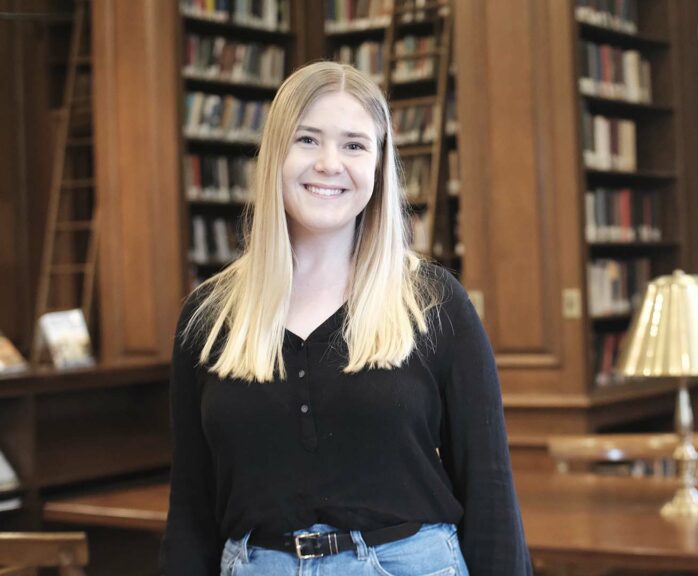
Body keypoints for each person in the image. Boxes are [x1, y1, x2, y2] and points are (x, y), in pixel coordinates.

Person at [161, 61, 532, 576]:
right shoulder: (208, 315)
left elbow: (489, 485)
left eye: (354, 145)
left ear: (379, 166)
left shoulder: (432, 303)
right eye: (307, 140)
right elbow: (191, 506)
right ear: (274, 155)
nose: (329, 164)